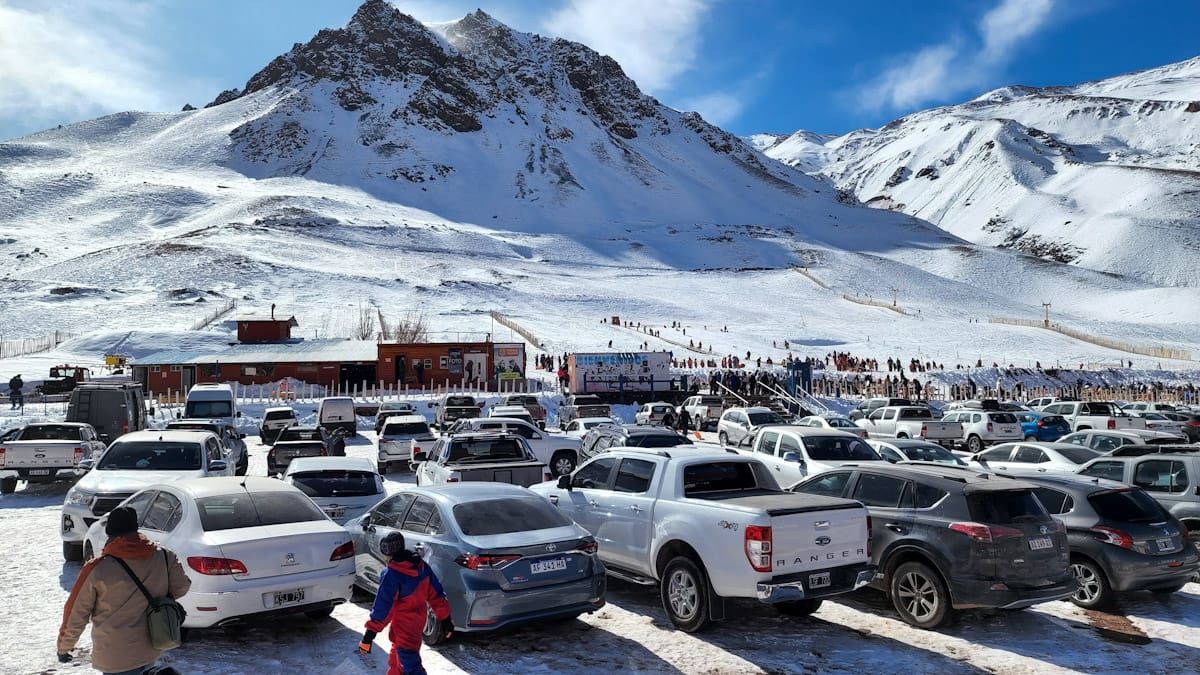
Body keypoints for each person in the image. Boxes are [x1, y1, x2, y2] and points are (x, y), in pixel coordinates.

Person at [58, 506, 191, 675]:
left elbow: (76, 613)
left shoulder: (97, 568)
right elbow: (182, 588)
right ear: (135, 528)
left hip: (115, 656)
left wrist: (64, 647)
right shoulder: (164, 556)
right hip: (154, 644)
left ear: (110, 533)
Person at [360, 532, 452, 675]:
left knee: (410, 665)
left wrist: (370, 634)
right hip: (417, 623)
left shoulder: (392, 574)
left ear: (389, 554)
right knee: (397, 661)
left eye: (384, 553)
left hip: (404, 627)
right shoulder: (421, 567)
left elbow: (384, 606)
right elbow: (437, 594)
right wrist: (445, 618)